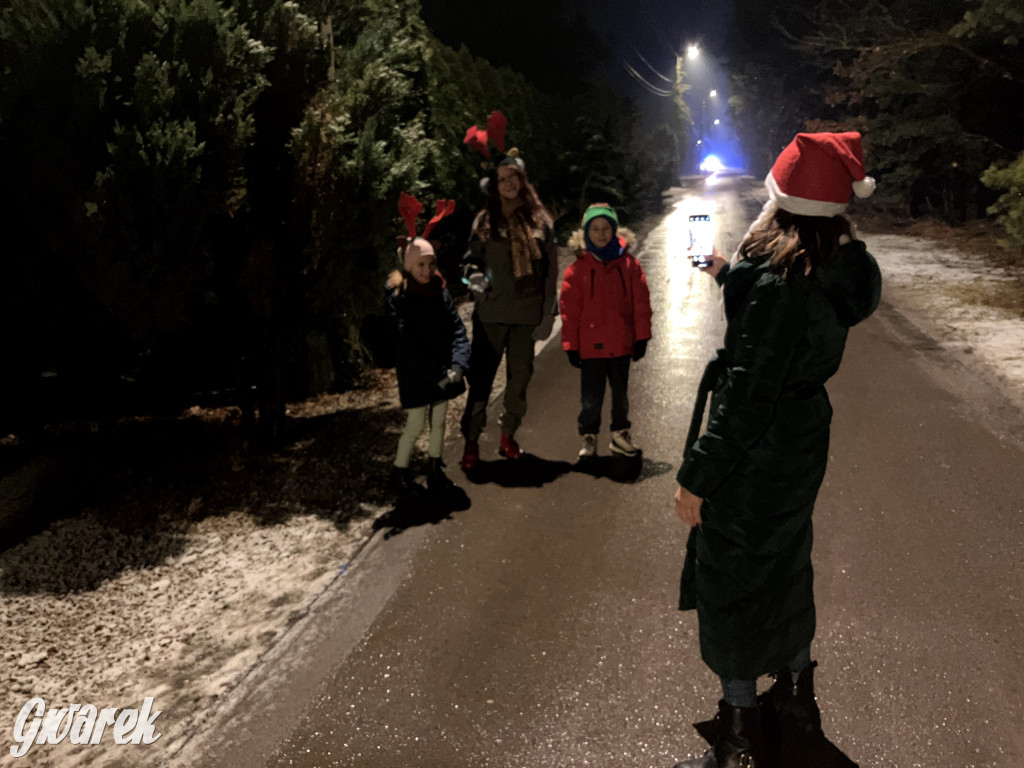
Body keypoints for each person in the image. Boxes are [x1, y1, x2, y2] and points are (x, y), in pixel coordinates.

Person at [672, 132, 882, 768]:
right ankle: (797, 701)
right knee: (787, 559)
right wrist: (726, 273)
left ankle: (740, 732)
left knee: (732, 573)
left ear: (783, 201)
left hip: (757, 452)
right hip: (800, 441)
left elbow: (747, 395)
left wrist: (696, 476)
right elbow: (789, 329)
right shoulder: (830, 265)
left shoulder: (780, 282)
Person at [458, 146, 558, 469]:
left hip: (525, 316)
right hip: (490, 315)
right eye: (502, 178)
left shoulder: (540, 221)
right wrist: (476, 284)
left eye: (513, 177)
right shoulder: (485, 220)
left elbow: (550, 272)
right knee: (481, 380)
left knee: (519, 379)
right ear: (495, 183)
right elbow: (469, 262)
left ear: (522, 180)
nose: (508, 183)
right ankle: (471, 441)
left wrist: (547, 313)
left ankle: (508, 436)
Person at [560, 203, 652, 459]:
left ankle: (620, 433)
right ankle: (589, 436)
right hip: (591, 348)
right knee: (590, 398)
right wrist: (571, 345)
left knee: (621, 395)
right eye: (595, 229)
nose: (601, 234)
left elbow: (640, 304)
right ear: (586, 232)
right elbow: (570, 313)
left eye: (606, 228)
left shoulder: (629, 266)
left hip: (621, 343)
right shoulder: (577, 270)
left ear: (615, 230)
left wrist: (641, 336)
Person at [385, 235, 470, 493]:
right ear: (409, 266)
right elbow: (404, 344)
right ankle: (399, 469)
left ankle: (435, 467)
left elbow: (457, 328)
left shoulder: (440, 291)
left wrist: (459, 362)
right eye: (420, 264)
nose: (427, 270)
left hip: (444, 369)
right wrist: (437, 372)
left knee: (440, 421)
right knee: (416, 423)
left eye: (431, 263)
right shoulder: (400, 297)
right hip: (418, 373)